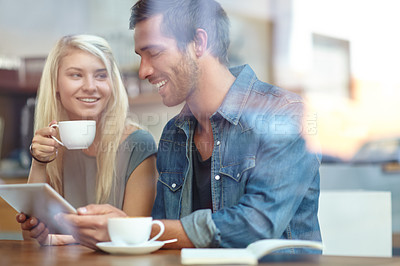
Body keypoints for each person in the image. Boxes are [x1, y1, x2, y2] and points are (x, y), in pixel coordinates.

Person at [59, 0, 322, 252]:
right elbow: (164, 236)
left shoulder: (285, 114)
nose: (143, 71)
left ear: (199, 42)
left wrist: (136, 230)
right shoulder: (174, 134)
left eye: (154, 52)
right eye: (141, 56)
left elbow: (255, 225)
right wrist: (120, 229)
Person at [16, 34, 158, 248]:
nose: (90, 86)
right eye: (76, 75)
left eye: (101, 76)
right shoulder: (53, 146)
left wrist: (66, 238)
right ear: (55, 83)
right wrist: (39, 162)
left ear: (112, 84)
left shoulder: (138, 145)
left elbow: (132, 236)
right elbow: (32, 238)